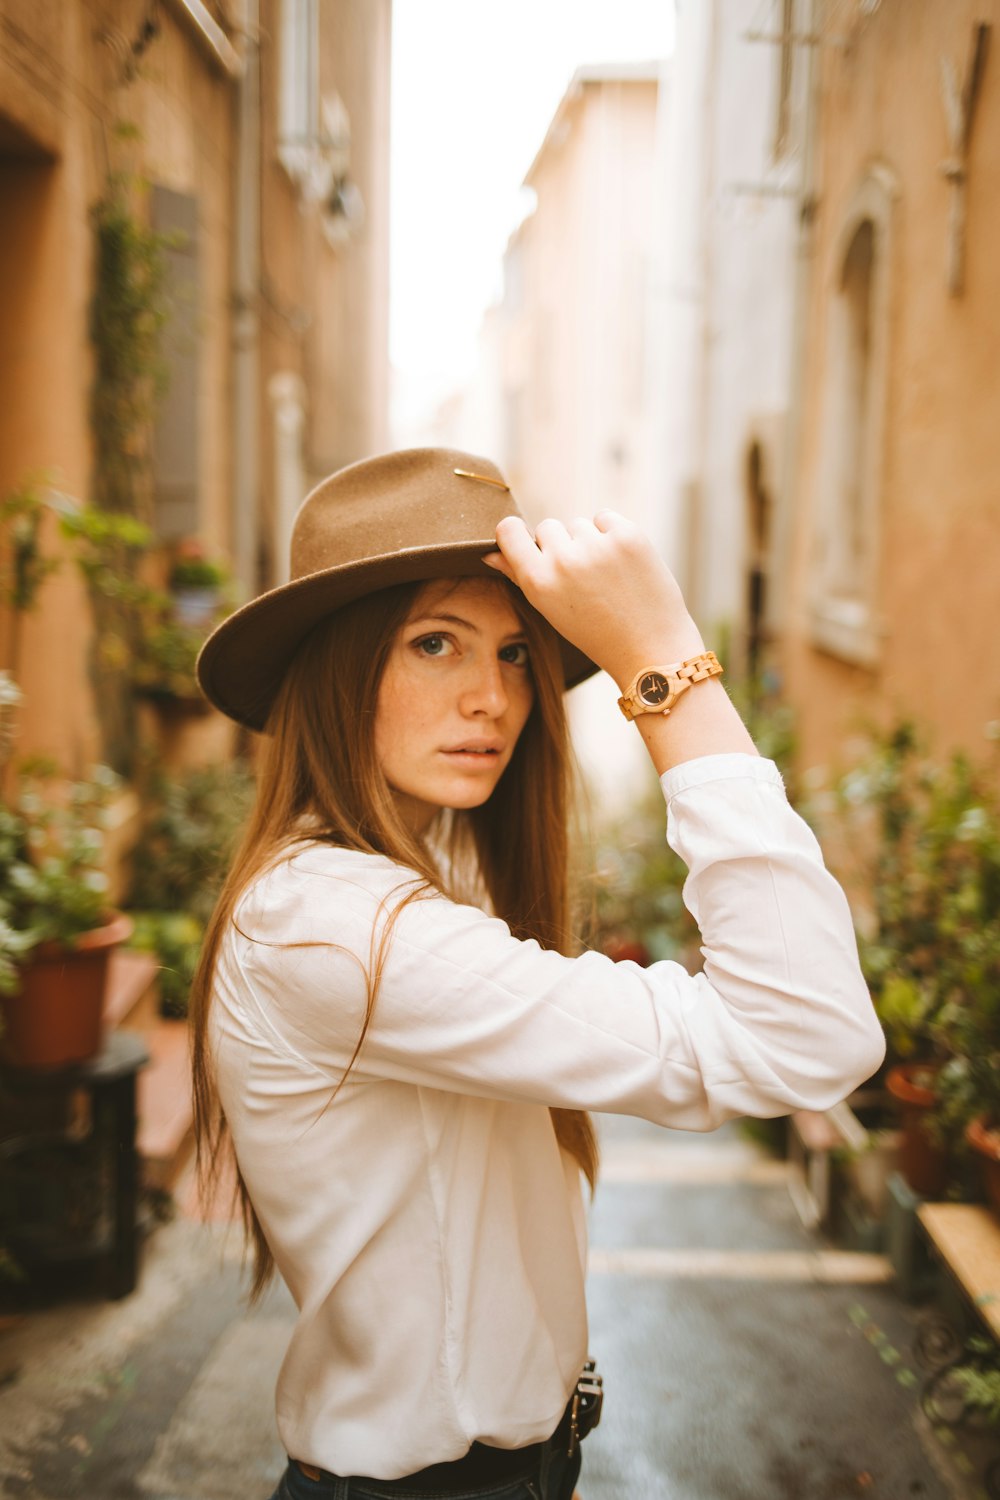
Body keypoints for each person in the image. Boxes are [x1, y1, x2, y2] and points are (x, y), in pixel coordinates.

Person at [192, 447, 885, 1500]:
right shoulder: (334, 928)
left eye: (517, 653)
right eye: (435, 643)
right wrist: (663, 661)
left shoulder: (423, 869)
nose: (491, 697)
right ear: (335, 670)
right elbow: (805, 1035)